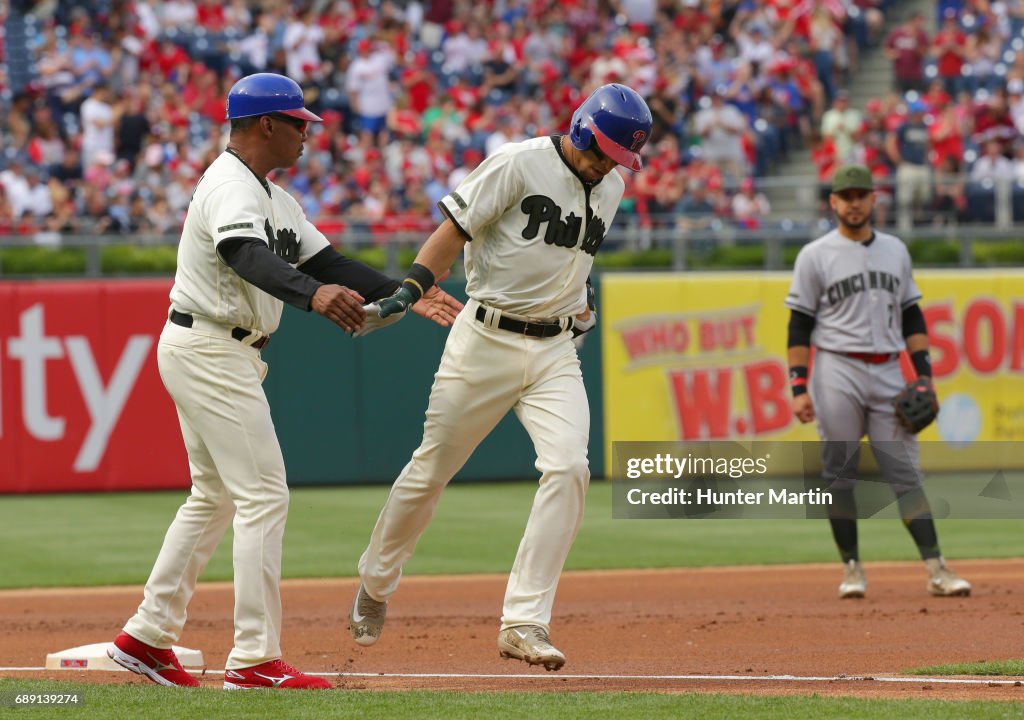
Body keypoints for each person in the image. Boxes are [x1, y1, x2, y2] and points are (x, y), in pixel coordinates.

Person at [106, 73, 462, 690]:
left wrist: (411, 291)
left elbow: (328, 263)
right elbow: (245, 255)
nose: (308, 132)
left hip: (218, 347)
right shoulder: (228, 184)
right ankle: (253, 660)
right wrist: (312, 296)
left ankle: (147, 634)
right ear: (265, 124)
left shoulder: (274, 197)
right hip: (211, 345)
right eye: (298, 122)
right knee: (263, 496)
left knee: (213, 496)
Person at [346, 83, 652, 671]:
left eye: (619, 157)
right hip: (484, 338)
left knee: (569, 467)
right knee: (431, 469)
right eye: (604, 151)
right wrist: (410, 289)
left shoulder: (610, 185)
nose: (608, 165)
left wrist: (580, 296)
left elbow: (575, 257)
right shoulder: (519, 161)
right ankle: (376, 583)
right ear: (582, 129)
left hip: (556, 348)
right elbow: (454, 231)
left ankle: (524, 621)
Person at [785, 164, 971, 601]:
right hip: (837, 368)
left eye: (860, 195)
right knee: (839, 474)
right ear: (833, 203)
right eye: (845, 195)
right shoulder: (815, 254)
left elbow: (912, 314)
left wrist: (924, 376)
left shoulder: (895, 251)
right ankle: (851, 569)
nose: (853, 202)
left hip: (889, 369)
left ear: (873, 200)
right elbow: (799, 325)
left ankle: (937, 569)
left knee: (905, 473)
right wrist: (798, 388)